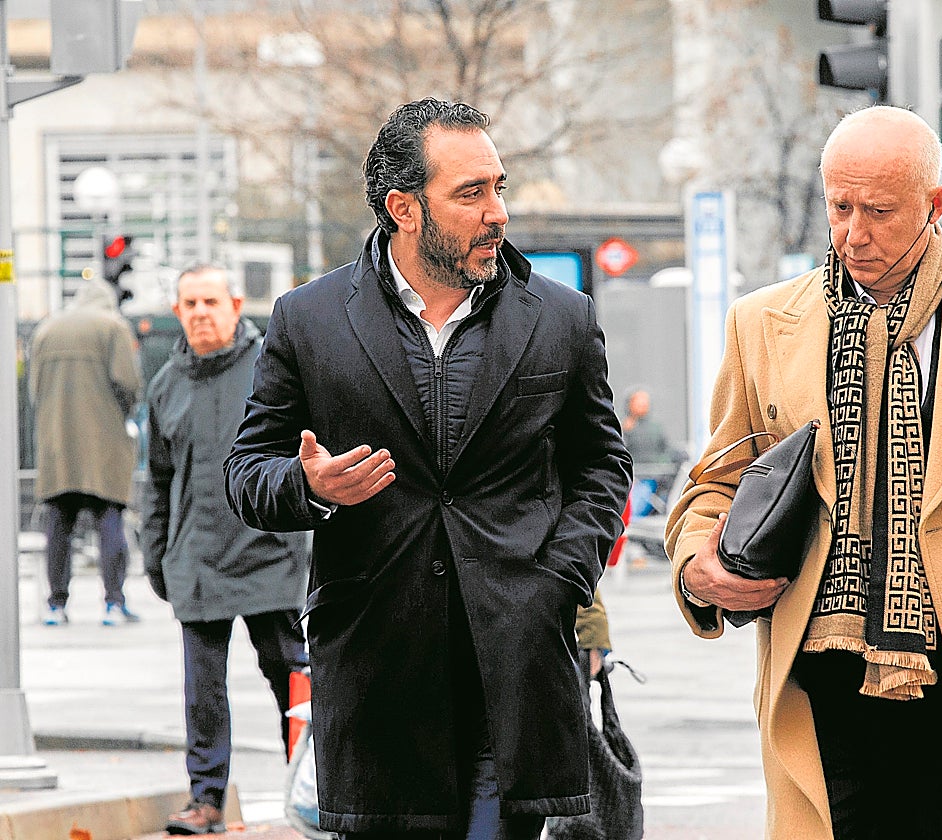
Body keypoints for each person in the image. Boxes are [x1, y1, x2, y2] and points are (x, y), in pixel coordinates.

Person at [665, 106, 942, 840]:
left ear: (934, 206)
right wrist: (698, 567)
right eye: (839, 207)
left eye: (879, 211)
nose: (853, 233)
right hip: (814, 670)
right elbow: (715, 484)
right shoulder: (762, 322)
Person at [224, 98, 632, 839]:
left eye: (498, 187)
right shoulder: (307, 319)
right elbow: (248, 471)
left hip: (514, 671)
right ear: (403, 208)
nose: (497, 212)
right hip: (379, 679)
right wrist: (308, 487)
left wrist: (561, 576)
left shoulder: (562, 318)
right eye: (471, 193)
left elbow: (601, 464)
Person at [143, 265, 310, 835]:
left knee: (291, 678)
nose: (200, 313)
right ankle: (205, 801)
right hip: (197, 560)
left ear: (236, 305)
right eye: (189, 303)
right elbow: (157, 483)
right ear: (177, 312)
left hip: (270, 552)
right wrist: (156, 555)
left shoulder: (273, 371)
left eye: (210, 301)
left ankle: (315, 784)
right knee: (203, 691)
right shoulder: (165, 385)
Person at [28, 276, 142, 626]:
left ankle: (56, 604)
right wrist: (125, 415)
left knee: (58, 526)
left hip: (56, 445)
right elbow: (128, 383)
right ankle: (112, 603)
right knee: (109, 519)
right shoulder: (113, 327)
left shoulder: (46, 330)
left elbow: (34, 391)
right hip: (102, 445)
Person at [622, 388, 685, 517]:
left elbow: (665, 449)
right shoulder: (624, 428)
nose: (643, 405)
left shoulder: (656, 427)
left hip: (655, 477)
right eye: (639, 402)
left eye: (645, 402)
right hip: (634, 478)